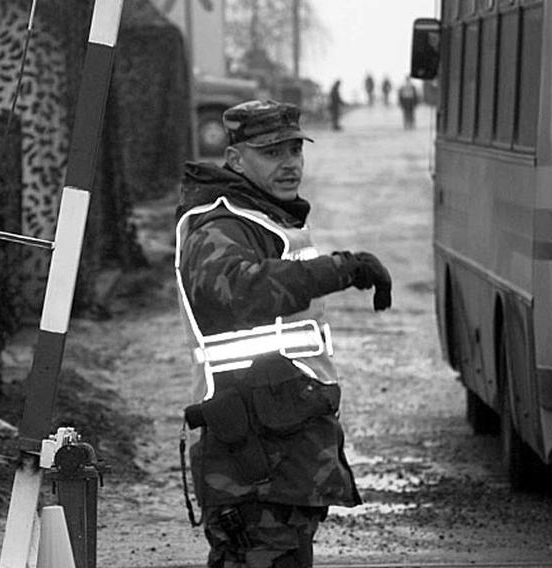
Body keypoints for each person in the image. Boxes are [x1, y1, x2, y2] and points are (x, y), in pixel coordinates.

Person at [175, 100, 392, 567]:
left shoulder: (270, 220)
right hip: (250, 460)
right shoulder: (220, 226)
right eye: (272, 152)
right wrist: (338, 270)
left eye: (295, 149)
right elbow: (238, 291)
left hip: (281, 450)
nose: (290, 162)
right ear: (236, 160)